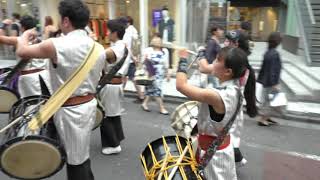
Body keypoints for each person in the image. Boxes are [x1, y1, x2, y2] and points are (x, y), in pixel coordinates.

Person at [16, 1, 118, 179]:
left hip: (69, 110)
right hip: (89, 104)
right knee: (79, 154)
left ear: (65, 21)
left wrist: (23, 36)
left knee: (76, 160)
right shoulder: (98, 47)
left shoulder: (55, 45)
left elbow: (22, 51)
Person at [176, 46, 256, 180]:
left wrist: (182, 59)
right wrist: (201, 53)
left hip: (214, 157)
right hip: (219, 149)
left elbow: (181, 85)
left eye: (217, 60)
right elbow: (204, 67)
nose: (213, 61)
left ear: (228, 71)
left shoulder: (218, 95)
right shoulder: (236, 85)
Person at [223, 30, 258, 167]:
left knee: (226, 138)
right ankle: (235, 160)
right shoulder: (240, 62)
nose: (224, 43)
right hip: (232, 107)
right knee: (227, 138)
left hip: (230, 107)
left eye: (228, 41)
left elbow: (210, 68)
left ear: (236, 44)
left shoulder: (236, 65)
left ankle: (236, 160)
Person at [0, 15, 52, 97]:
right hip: (45, 77)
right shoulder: (42, 41)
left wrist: (3, 25)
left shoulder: (19, 40)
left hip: (28, 80)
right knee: (46, 104)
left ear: (22, 28)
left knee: (30, 106)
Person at [99, 19, 126, 155]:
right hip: (113, 85)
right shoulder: (119, 46)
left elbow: (101, 55)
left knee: (106, 115)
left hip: (110, 85)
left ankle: (113, 144)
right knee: (112, 113)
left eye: (109, 31)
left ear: (115, 33)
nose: (107, 33)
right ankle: (117, 139)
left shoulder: (118, 47)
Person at [257, 32, 282, 126]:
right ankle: (262, 120)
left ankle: (267, 117)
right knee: (268, 100)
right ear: (277, 42)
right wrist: (275, 83)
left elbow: (264, 67)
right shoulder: (274, 53)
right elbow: (272, 70)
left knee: (268, 99)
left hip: (266, 80)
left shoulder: (268, 52)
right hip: (271, 81)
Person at [141, 36, 169, 115]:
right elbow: (145, 62)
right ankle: (161, 108)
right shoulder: (148, 51)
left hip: (160, 73)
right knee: (157, 90)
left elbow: (166, 63)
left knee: (151, 89)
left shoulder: (164, 51)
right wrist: (146, 72)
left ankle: (144, 103)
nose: (159, 43)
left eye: (159, 41)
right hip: (151, 72)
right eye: (157, 42)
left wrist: (167, 73)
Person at [121, 16, 144, 103]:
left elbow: (127, 46)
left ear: (128, 23)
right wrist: (136, 57)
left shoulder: (128, 32)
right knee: (125, 77)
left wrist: (132, 57)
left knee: (129, 77)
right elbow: (136, 46)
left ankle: (141, 96)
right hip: (131, 58)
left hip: (128, 59)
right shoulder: (134, 31)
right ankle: (120, 94)